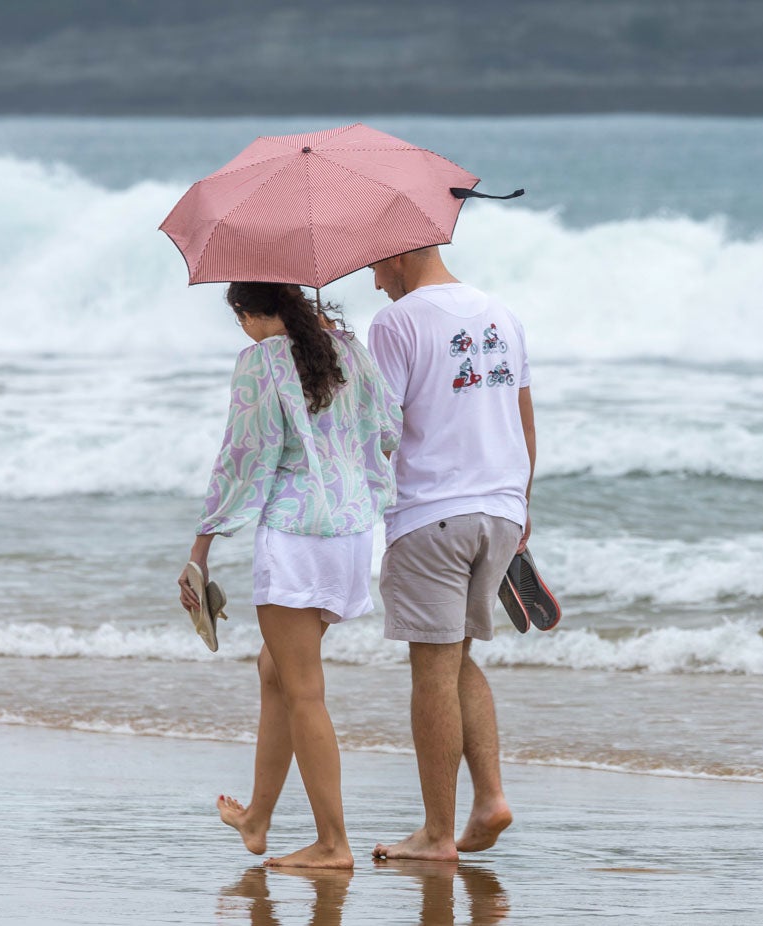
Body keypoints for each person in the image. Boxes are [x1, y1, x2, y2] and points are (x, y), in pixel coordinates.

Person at [178, 282, 399, 869]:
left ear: (254, 314)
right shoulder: (347, 349)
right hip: (352, 533)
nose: (244, 331)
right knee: (274, 669)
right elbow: (388, 430)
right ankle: (257, 818)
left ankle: (333, 845)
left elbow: (243, 457)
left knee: (305, 692)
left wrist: (201, 548)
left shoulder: (261, 360)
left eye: (242, 319)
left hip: (297, 535)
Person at [365, 246, 535, 862]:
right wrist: (522, 505)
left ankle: (436, 836)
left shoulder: (398, 321)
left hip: (432, 513)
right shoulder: (501, 313)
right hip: (499, 510)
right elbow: (522, 416)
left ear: (403, 253)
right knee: (457, 657)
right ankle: (489, 800)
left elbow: (379, 430)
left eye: (377, 266)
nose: (375, 280)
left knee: (431, 671)